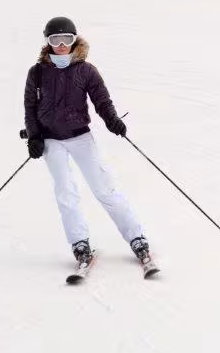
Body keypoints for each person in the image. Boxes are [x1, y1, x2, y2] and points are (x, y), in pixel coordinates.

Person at [24, 16, 155, 273]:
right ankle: (79, 243)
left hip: (80, 137)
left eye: (67, 39)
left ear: (75, 40)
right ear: (48, 42)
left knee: (104, 188)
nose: (61, 45)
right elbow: (30, 107)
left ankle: (136, 237)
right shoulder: (37, 73)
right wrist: (34, 136)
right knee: (65, 192)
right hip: (51, 140)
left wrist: (112, 120)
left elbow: (102, 101)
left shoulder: (86, 70)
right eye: (55, 40)